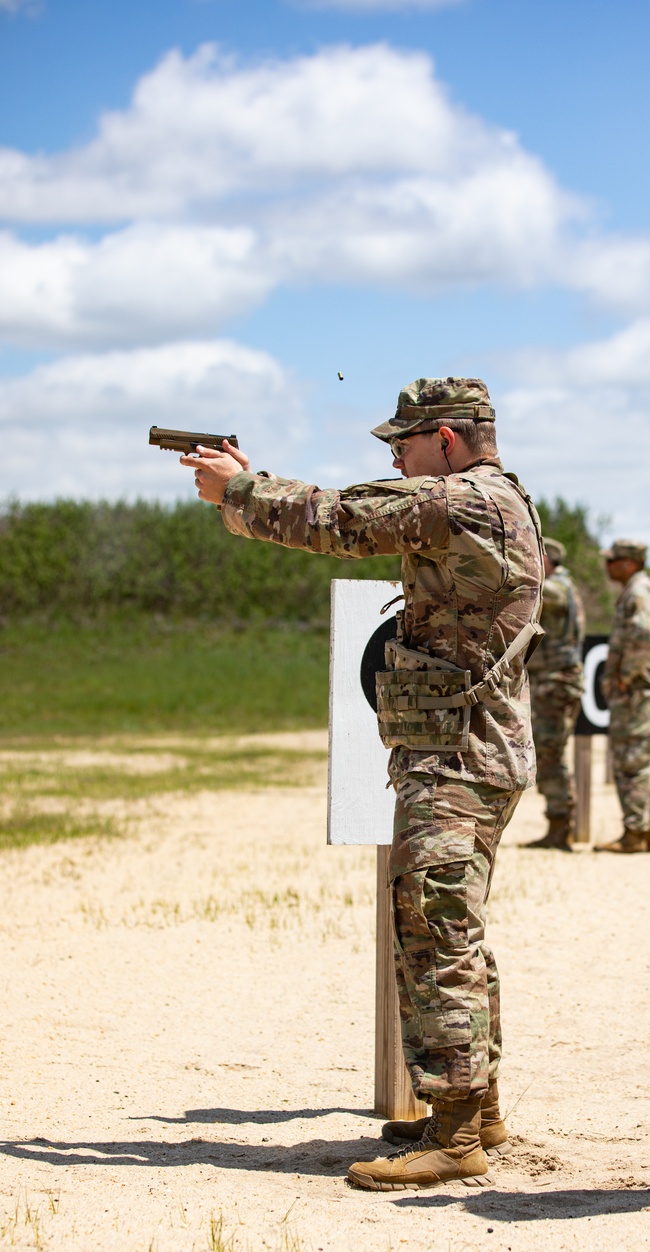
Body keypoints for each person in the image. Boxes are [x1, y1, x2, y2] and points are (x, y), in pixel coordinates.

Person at [180, 377, 544, 1191]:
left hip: (458, 753)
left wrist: (239, 489)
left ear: (446, 440)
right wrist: (250, 484)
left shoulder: (464, 500)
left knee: (436, 929)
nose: (392, 459)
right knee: (452, 923)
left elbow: (341, 519)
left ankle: (455, 1133)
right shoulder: (489, 499)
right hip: (465, 747)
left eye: (402, 445)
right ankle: (473, 1107)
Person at [595, 539, 650, 853]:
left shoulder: (638, 593)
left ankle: (635, 833)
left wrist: (626, 676)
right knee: (644, 759)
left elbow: (643, 634)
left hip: (639, 690)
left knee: (632, 761)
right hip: (644, 689)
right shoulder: (640, 589)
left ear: (629, 563)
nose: (608, 566)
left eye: (613, 560)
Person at [523, 537, 586, 851]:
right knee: (549, 752)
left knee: (550, 753)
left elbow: (538, 593)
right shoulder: (563, 587)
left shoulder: (558, 589)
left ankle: (561, 826)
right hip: (553, 682)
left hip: (556, 683)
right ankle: (559, 825)